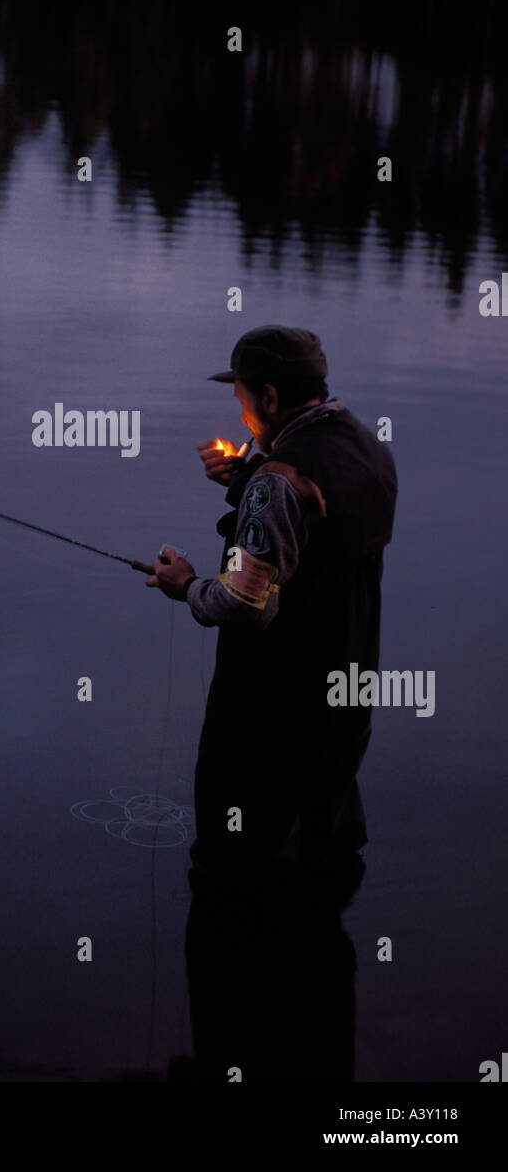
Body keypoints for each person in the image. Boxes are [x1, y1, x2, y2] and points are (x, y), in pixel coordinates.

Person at [145, 325, 397, 1078]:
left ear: (272, 396)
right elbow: (315, 534)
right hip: (344, 698)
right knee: (318, 859)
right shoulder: (369, 450)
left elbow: (247, 603)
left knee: (229, 869)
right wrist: (246, 474)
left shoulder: (278, 480)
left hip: (266, 715)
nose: (241, 412)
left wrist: (182, 584)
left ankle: (232, 1051)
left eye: (245, 399)